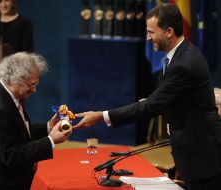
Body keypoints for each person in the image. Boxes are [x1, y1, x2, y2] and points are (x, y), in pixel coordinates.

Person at [73, 3, 221, 190]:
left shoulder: (184, 63)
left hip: (203, 158)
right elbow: (170, 98)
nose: (148, 37)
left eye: (151, 32)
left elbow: (152, 106)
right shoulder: (178, 56)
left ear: (169, 31)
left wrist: (100, 116)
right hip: (193, 152)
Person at [0, 52, 72, 190]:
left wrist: (48, 128)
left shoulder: (2, 91)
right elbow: (12, 156)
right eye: (32, 84)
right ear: (14, 79)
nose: (34, 90)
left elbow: (17, 132)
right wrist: (50, 141)